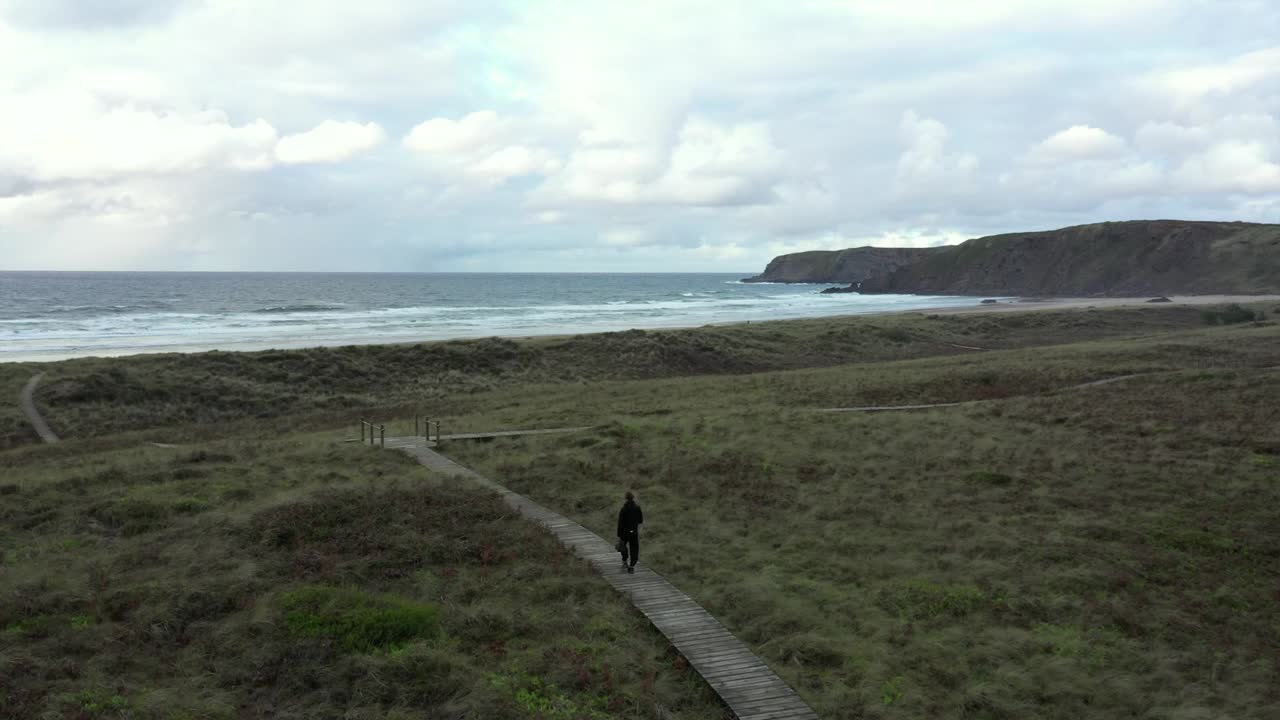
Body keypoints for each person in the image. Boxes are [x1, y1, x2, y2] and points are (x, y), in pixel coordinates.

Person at [616, 490, 643, 574]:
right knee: (634, 548)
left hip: (624, 532)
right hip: (634, 532)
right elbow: (640, 520)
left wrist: (619, 534)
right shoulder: (637, 508)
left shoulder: (623, 509)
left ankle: (624, 560)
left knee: (623, 546)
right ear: (633, 498)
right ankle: (631, 566)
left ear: (626, 498)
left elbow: (620, 523)